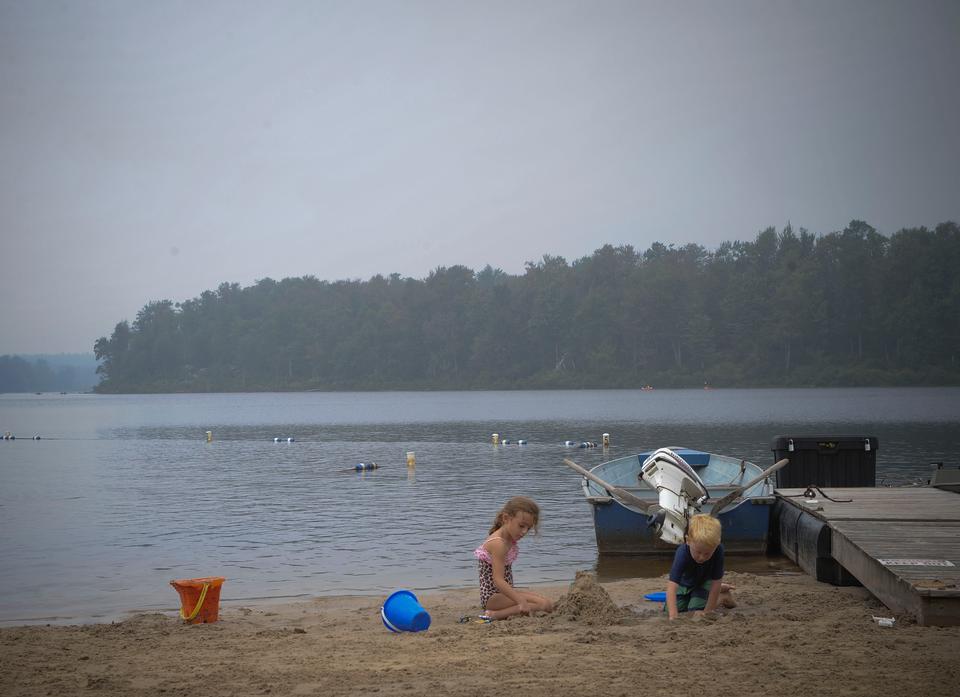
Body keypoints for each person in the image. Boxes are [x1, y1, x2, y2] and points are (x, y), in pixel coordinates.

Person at [472, 496, 555, 620]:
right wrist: (520, 600)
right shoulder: (498, 543)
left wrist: (519, 598)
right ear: (506, 518)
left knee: (547, 603)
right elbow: (498, 580)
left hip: (503, 594)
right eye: (521, 526)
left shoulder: (509, 538)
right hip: (493, 598)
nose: (524, 532)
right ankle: (495, 614)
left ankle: (501, 612)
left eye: (528, 528)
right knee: (544, 604)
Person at [665, 513, 737, 620]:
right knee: (672, 609)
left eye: (707, 553)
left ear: (717, 544)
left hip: (705, 582)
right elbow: (672, 587)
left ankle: (723, 596)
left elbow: (715, 583)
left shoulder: (718, 550)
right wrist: (673, 616)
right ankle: (718, 591)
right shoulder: (682, 553)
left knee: (695, 609)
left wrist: (708, 612)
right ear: (688, 541)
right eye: (698, 552)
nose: (702, 557)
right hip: (686, 583)